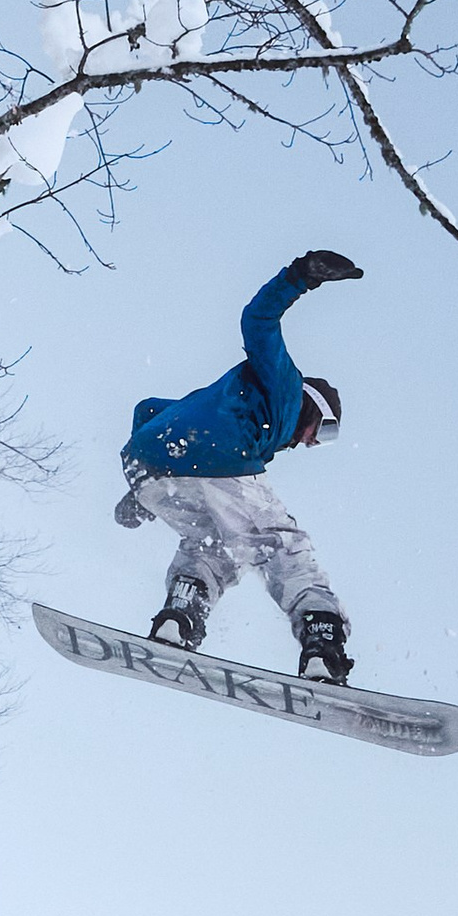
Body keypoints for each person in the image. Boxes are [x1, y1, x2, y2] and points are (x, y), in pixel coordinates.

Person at [115, 250, 364, 679]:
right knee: (281, 544)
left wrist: (140, 492)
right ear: (313, 410)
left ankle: (180, 617)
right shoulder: (285, 386)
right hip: (217, 457)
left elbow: (147, 408)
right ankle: (322, 639)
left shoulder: (223, 403)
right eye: (323, 433)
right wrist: (301, 277)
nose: (310, 445)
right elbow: (258, 320)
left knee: (213, 544)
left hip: (148, 466)